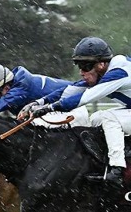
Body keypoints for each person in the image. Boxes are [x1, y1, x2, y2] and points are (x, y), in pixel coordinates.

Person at [22, 37, 131, 186]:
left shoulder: (118, 73)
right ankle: (105, 163)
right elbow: (69, 91)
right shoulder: (104, 71)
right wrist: (38, 103)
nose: (81, 72)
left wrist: (49, 108)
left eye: (85, 66)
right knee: (96, 118)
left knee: (108, 117)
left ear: (101, 64)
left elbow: (85, 98)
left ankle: (117, 171)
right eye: (79, 66)